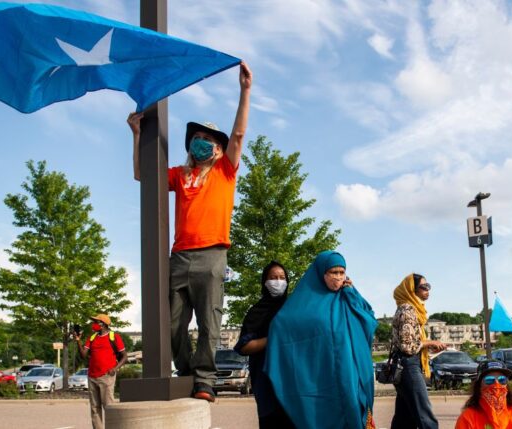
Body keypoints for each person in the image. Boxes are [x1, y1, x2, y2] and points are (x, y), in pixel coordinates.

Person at [126, 62, 252, 401]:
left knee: (210, 322)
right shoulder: (180, 175)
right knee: (172, 324)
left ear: (218, 149)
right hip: (179, 256)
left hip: (213, 253)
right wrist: (137, 135)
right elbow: (143, 176)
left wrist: (244, 91)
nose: (202, 143)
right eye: (197, 138)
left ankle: (205, 381)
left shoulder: (225, 171)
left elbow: (238, 135)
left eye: (209, 140)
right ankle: (185, 372)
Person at [264, 251, 377, 429]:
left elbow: (369, 322)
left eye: (342, 272)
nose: (338, 277)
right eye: (333, 272)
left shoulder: (348, 297)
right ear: (321, 273)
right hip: (321, 376)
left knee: (354, 411)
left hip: (350, 374)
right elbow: (283, 326)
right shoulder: (305, 301)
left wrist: (352, 294)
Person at [234, 261, 295, 428]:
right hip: (267, 382)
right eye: (273, 277)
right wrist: (272, 339)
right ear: (265, 282)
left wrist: (346, 291)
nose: (278, 282)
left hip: (294, 382)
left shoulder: (294, 308)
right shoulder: (256, 312)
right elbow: (244, 347)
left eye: (282, 278)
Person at [390, 273, 445, 429]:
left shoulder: (412, 309)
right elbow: (408, 346)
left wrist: (428, 345)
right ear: (412, 289)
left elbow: (411, 342)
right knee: (425, 416)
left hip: (409, 363)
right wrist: (430, 342)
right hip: (408, 365)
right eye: (424, 287)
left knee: (404, 417)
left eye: (429, 286)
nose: (428, 290)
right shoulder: (407, 309)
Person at [75, 314, 127, 429]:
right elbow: (83, 355)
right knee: (95, 408)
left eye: (96, 322)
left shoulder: (114, 337)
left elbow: (124, 356)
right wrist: (78, 340)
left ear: (103, 324)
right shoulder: (92, 337)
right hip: (92, 376)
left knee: (109, 406)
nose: (94, 324)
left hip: (107, 376)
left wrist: (115, 368)